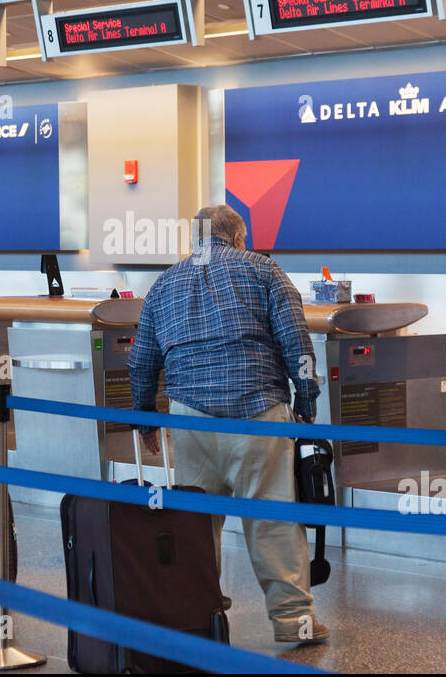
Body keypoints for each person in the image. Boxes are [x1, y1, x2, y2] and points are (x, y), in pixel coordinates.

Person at [129, 204, 327, 645]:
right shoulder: (264, 270)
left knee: (197, 526)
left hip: (190, 418)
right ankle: (295, 620)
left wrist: (145, 419)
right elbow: (298, 341)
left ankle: (201, 619)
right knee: (271, 520)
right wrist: (307, 400)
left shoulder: (164, 283)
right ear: (240, 237)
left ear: (194, 240)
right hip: (259, 412)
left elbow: (141, 359)